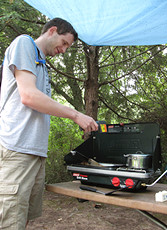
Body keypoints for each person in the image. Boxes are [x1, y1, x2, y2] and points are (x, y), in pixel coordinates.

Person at [0, 18, 98, 229]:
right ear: (52, 31)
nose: (63, 50)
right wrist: (75, 115)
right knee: (10, 221)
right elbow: (28, 96)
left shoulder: (42, 64)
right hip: (16, 148)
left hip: (36, 153)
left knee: (23, 217)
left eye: (67, 47)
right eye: (63, 43)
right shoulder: (24, 43)